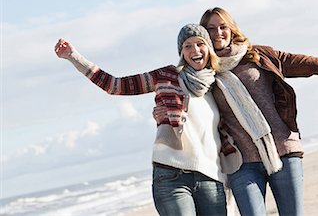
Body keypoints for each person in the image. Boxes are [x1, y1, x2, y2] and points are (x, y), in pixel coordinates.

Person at [154, 7, 318, 216]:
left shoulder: (260, 55)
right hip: (242, 163)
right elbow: (181, 99)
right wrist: (163, 111)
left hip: (283, 151)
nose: (217, 33)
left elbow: (313, 64)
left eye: (222, 27)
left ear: (232, 29)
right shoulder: (201, 74)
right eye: (211, 29)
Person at [54, 24, 228, 216]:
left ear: (208, 48)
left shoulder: (219, 83)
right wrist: (73, 56)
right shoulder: (166, 77)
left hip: (211, 177)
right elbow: (115, 85)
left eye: (199, 44)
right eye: (187, 46)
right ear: (182, 52)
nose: (194, 50)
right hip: (172, 176)